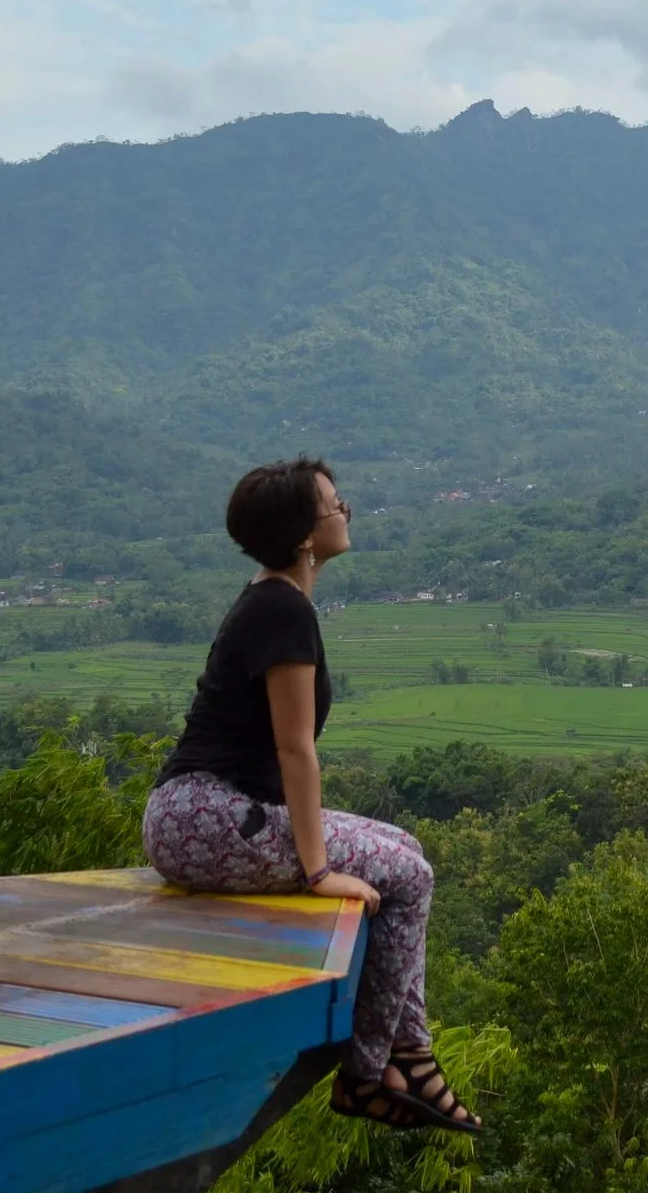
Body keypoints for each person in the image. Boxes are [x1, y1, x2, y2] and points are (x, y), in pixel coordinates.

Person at [141, 458, 480, 1134]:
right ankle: (376, 1066)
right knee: (410, 875)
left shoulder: (273, 598)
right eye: (333, 503)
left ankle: (405, 1051)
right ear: (303, 533)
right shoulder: (283, 609)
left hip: (212, 813)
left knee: (404, 849)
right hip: (205, 817)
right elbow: (296, 748)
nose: (345, 510)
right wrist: (318, 870)